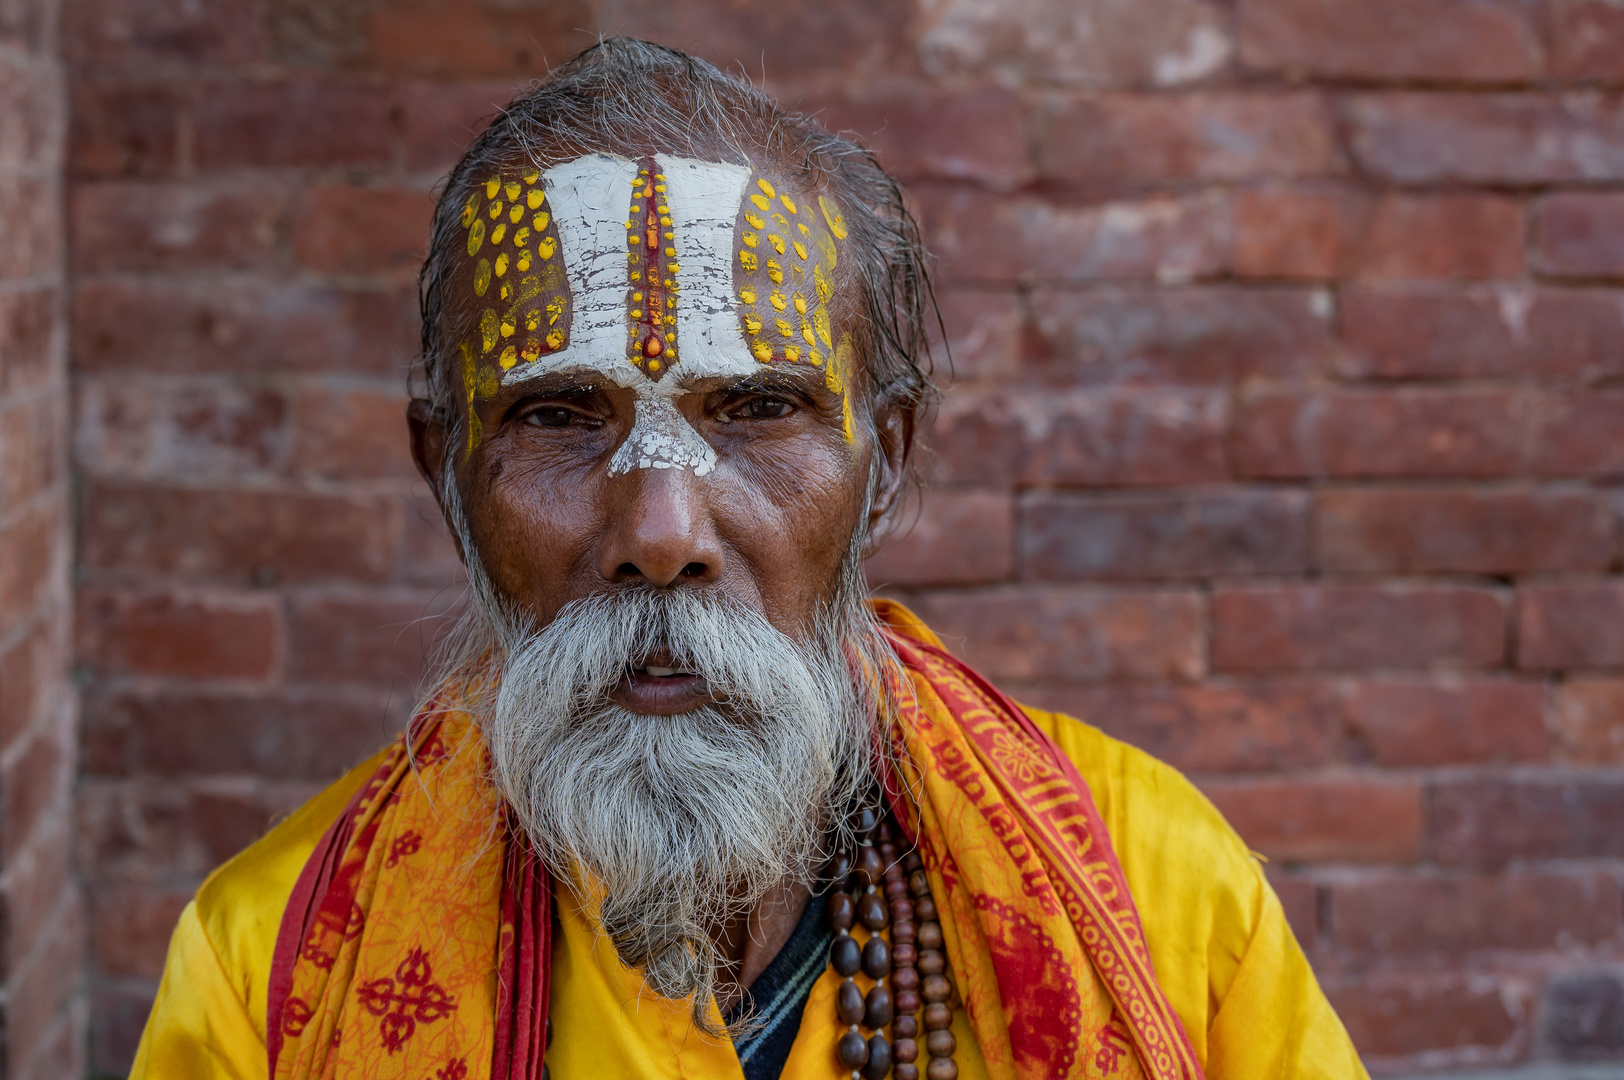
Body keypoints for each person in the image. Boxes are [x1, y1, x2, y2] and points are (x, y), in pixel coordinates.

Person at [130, 37, 1367, 1080]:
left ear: (881, 465)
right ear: (445, 478)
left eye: (758, 413)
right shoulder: (267, 970)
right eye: (560, 417)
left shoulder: (1160, 892)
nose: (662, 534)